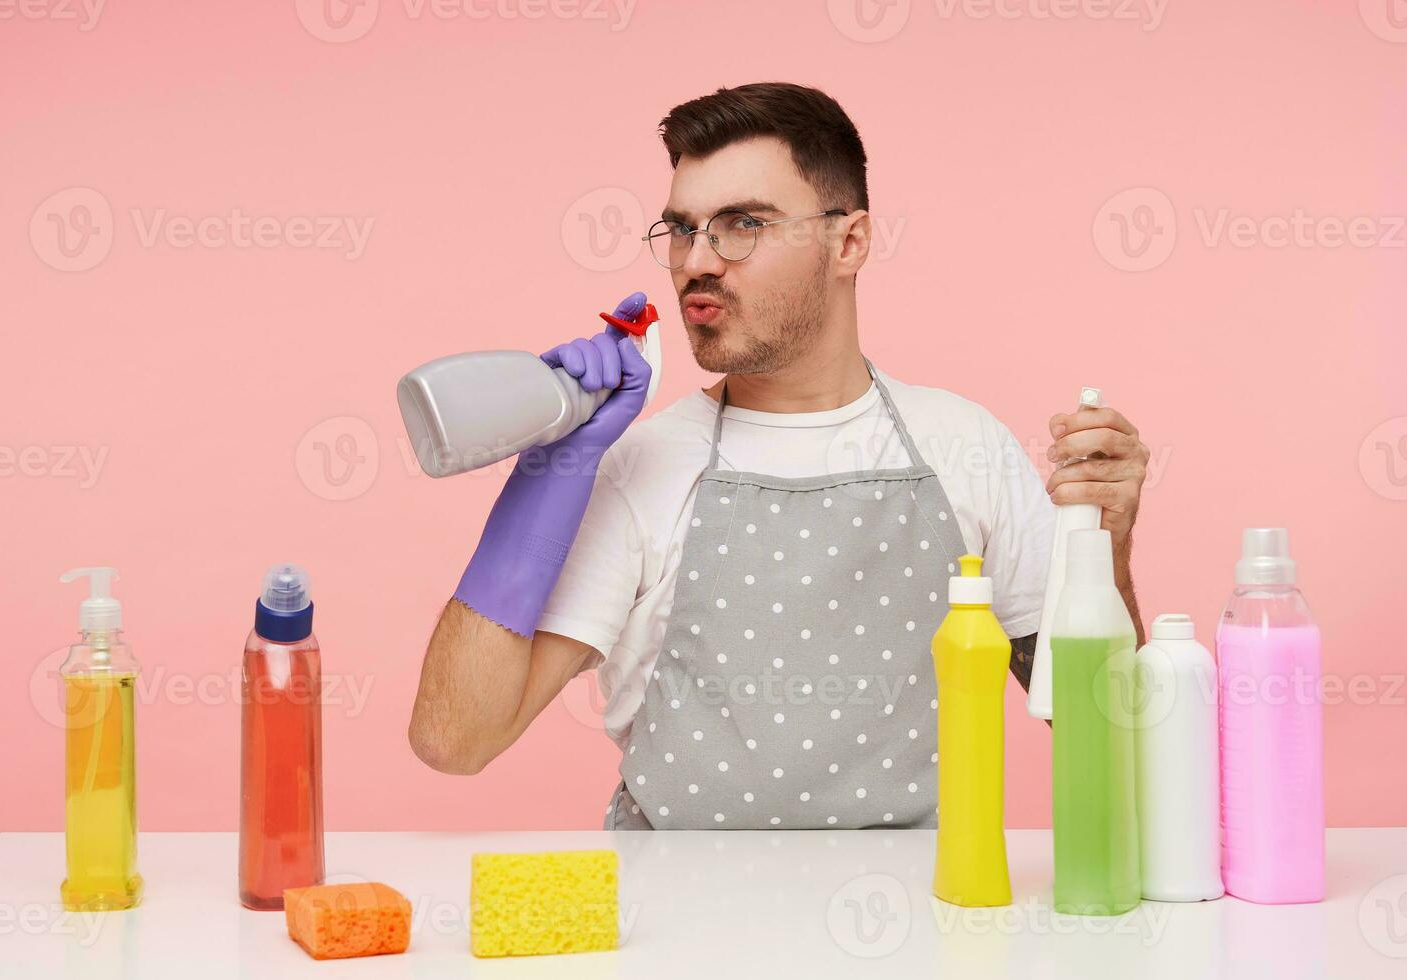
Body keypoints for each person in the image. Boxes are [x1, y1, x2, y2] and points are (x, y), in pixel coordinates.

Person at [408, 82, 1149, 830]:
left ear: (849, 241)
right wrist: (552, 469)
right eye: (683, 229)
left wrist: (1105, 551)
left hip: (925, 925)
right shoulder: (645, 465)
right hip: (678, 924)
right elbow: (455, 739)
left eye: (742, 225)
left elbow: (1097, 734)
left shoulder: (966, 445)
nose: (698, 260)